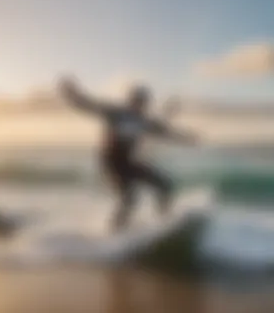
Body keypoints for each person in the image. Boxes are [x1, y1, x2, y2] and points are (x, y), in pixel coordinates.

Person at [59, 76, 197, 231]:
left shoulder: (144, 121)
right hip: (111, 163)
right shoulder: (116, 113)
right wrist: (72, 95)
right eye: (137, 100)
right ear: (131, 100)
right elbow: (90, 106)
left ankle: (163, 220)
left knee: (165, 185)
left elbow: (166, 132)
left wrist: (186, 138)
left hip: (129, 162)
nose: (140, 104)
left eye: (143, 102)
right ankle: (115, 230)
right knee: (129, 198)